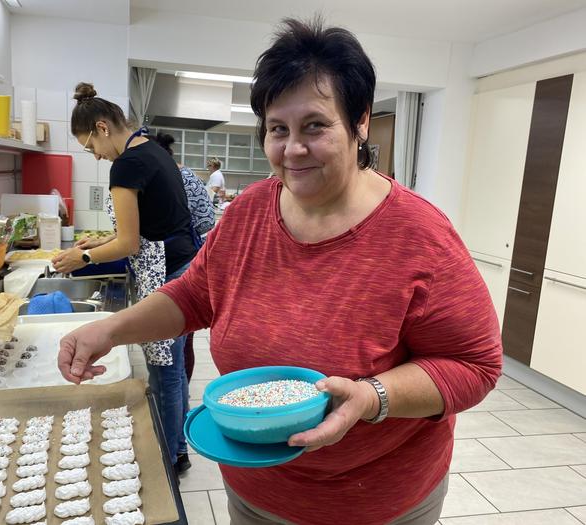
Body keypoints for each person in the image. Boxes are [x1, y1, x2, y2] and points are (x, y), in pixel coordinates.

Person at [58, 18, 502, 525]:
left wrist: (373, 396)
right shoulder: (249, 212)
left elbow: (475, 366)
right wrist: (110, 330)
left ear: (359, 122)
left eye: (315, 125)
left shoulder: (419, 235)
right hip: (256, 493)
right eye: (277, 129)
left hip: (373, 502)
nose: (292, 149)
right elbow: (194, 296)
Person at [52, 82, 195, 476]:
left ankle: (168, 459)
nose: (95, 156)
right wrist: (99, 240)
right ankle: (179, 447)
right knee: (174, 366)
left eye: (90, 147)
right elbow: (151, 224)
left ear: (101, 127)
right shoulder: (152, 150)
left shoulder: (126, 164)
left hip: (164, 274)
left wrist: (81, 256)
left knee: (164, 371)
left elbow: (131, 242)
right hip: (181, 268)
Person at [149, 131, 216, 382]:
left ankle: (178, 389)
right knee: (183, 340)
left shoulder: (162, 176)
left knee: (176, 340)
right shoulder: (187, 175)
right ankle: (181, 388)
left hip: (175, 262)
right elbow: (207, 219)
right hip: (187, 255)